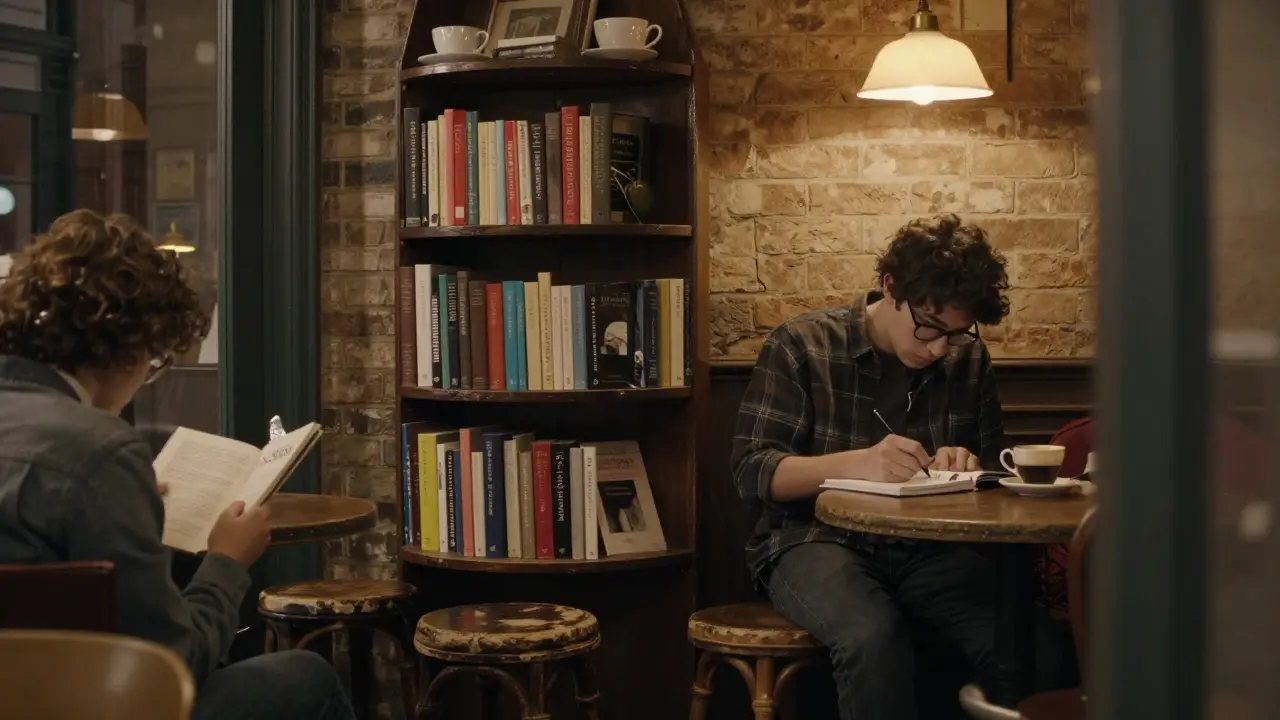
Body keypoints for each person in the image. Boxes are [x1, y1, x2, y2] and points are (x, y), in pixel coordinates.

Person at [0, 210, 355, 720]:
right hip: (79, 703)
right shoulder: (98, 450)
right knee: (306, 676)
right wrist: (227, 564)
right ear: (128, 347)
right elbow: (169, 666)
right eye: (154, 360)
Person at [731, 213, 1011, 720]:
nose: (939, 348)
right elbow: (754, 471)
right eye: (928, 326)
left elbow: (994, 474)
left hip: (928, 550)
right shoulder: (802, 344)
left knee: (1022, 641)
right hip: (811, 540)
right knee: (872, 637)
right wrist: (860, 464)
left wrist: (965, 465)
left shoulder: (968, 359)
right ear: (890, 288)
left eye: (954, 331)